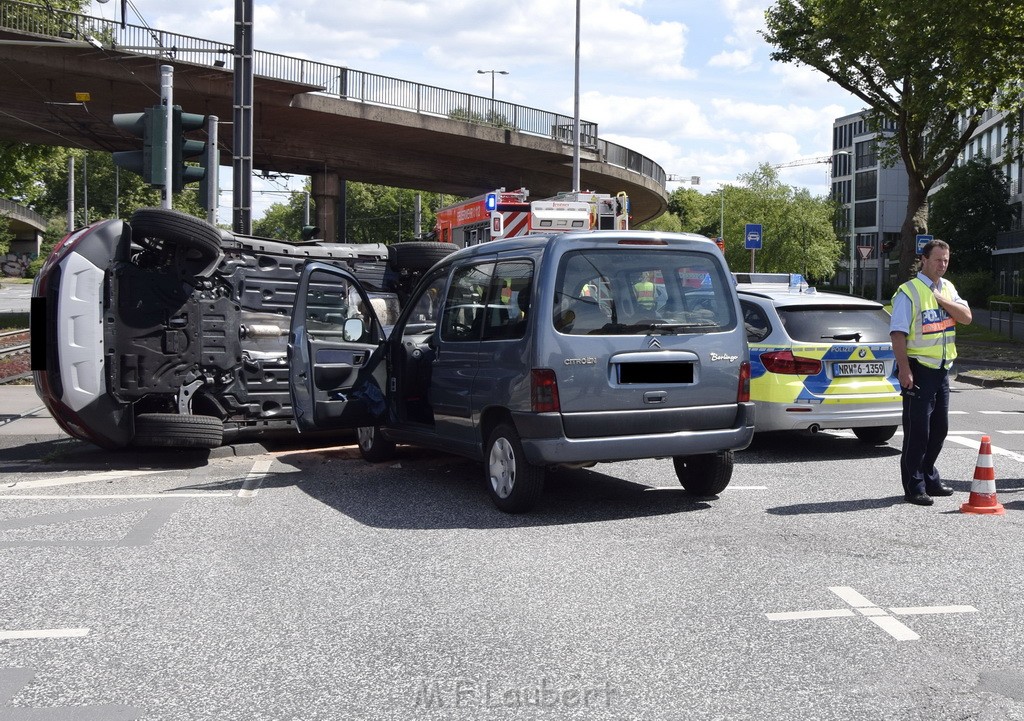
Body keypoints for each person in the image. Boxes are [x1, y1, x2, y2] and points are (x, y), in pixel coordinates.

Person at [889, 239, 972, 506]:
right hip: (918, 368)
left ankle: (929, 477)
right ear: (924, 260)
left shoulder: (947, 288)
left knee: (939, 430)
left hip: (942, 369)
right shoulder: (909, 291)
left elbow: (967, 317)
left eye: (946, 260)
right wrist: (904, 370)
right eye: (938, 260)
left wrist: (941, 299)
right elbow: (898, 334)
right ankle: (914, 486)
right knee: (918, 432)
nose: (943, 265)